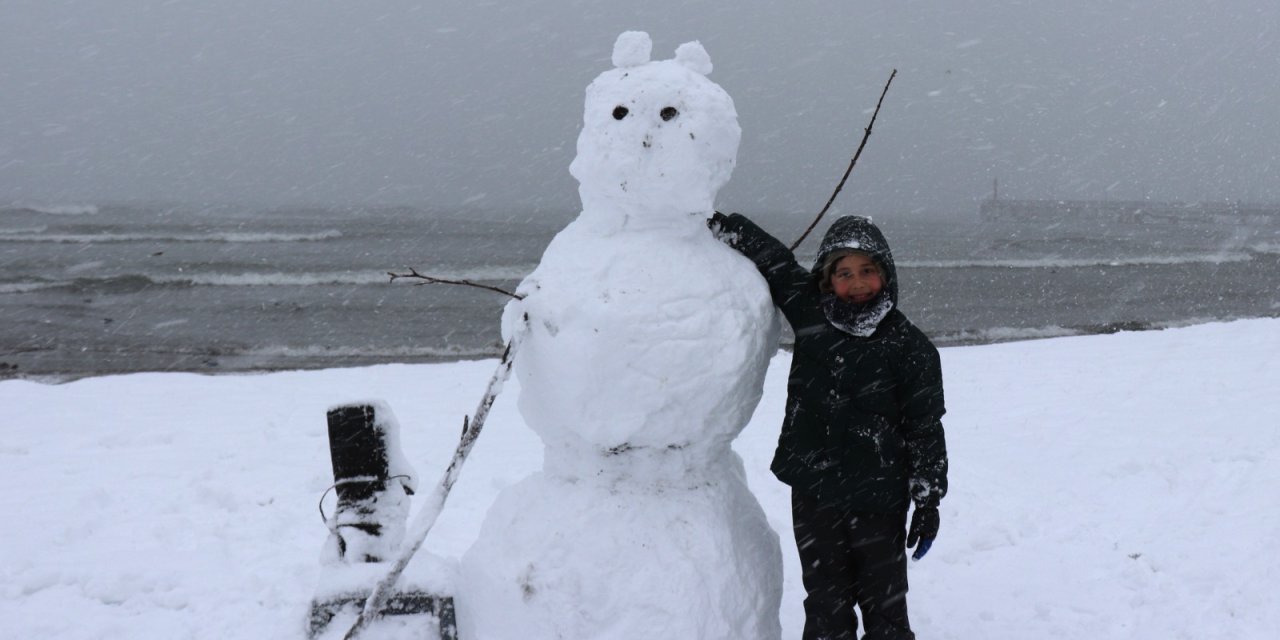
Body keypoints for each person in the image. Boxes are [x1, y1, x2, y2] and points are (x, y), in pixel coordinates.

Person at [710, 212, 948, 640]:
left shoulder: (911, 349)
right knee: (825, 605)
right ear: (827, 279)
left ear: (886, 273)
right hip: (815, 492)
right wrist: (720, 224)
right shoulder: (812, 314)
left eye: (867, 270)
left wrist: (927, 499)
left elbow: (925, 429)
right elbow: (775, 260)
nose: (857, 282)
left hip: (879, 498)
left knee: (886, 611)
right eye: (844, 272)